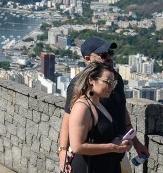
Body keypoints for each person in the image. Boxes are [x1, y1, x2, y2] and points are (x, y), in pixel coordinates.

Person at [57, 37, 150, 169]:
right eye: (103, 55)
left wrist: (136, 143)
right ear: (88, 58)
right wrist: (62, 150)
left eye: (110, 53)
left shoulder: (116, 79)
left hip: (115, 155)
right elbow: (68, 118)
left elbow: (121, 111)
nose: (109, 58)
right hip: (94, 159)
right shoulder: (78, 85)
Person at [66, 62, 132, 173]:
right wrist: (114, 147)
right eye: (108, 82)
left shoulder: (99, 104)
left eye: (113, 83)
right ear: (91, 80)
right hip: (88, 168)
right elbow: (77, 146)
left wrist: (121, 142)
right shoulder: (82, 107)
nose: (111, 87)